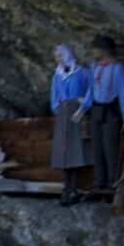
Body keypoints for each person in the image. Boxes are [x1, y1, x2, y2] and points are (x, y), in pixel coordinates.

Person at [85, 36, 124, 195]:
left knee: (110, 147)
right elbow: (90, 91)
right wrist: (83, 109)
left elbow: (123, 92)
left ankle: (113, 181)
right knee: (97, 147)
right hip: (96, 109)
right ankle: (100, 182)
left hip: (110, 110)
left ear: (104, 50)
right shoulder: (94, 67)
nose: (92, 52)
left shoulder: (116, 68)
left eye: (95, 48)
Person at [48, 43, 93, 203]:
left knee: (76, 151)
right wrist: (57, 109)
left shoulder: (83, 73)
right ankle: (67, 189)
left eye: (60, 56)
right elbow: (54, 97)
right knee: (64, 152)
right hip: (63, 114)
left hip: (77, 114)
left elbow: (91, 91)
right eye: (56, 57)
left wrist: (83, 107)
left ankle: (74, 188)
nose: (58, 60)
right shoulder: (57, 75)